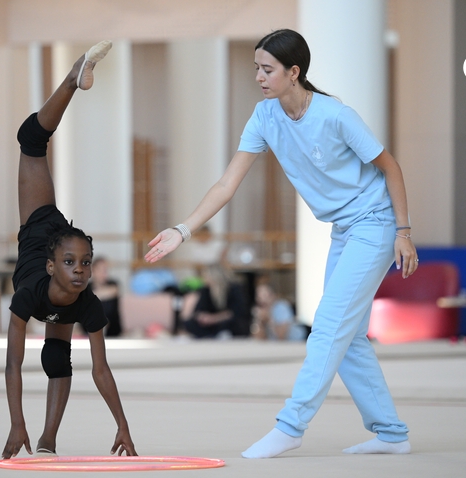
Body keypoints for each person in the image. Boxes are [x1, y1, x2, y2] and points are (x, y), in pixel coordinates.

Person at [145, 29, 418, 458]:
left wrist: (404, 232)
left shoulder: (335, 115)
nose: (258, 76)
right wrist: (183, 229)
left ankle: (291, 426)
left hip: (375, 222)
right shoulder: (264, 117)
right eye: (256, 67)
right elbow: (226, 184)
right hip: (344, 230)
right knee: (348, 336)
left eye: (267, 69)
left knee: (328, 325)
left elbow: (390, 167)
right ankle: (390, 433)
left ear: (294, 73)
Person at [1, 40, 136, 459]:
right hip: (43, 224)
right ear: (52, 265)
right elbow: (12, 364)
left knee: (58, 359)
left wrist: (123, 428)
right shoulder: (28, 295)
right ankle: (73, 76)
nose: (81, 271)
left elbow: (101, 371)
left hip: (61, 255)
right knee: (30, 138)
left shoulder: (88, 303)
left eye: (86, 265)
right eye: (72, 264)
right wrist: (16, 423)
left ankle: (48, 442)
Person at [183, 265, 249, 339]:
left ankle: (220, 333)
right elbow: (199, 309)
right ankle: (211, 334)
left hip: (225, 321)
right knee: (189, 323)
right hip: (211, 323)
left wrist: (214, 318)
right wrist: (202, 317)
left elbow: (236, 312)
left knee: (235, 323)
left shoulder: (234, 288)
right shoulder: (206, 290)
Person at [91, 257, 123, 337]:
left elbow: (113, 291)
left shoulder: (113, 284)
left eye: (105, 270)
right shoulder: (87, 287)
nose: (104, 274)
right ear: (93, 271)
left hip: (114, 332)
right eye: (100, 270)